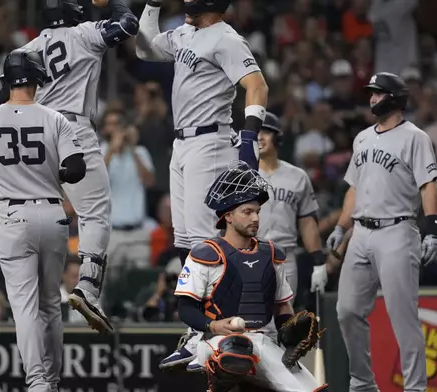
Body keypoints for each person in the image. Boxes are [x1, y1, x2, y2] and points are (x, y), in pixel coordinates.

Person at [0, 0, 139, 334]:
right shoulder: (84, 33)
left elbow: (8, 92)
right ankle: (87, 287)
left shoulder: (27, 48)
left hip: (33, 129)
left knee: (10, 211)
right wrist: (113, 3)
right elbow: (128, 24)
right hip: (71, 127)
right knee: (95, 211)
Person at [136, 0, 269, 369]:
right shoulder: (186, 32)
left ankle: (215, 333)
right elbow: (144, 48)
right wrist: (151, 6)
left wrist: (249, 135)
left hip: (211, 141)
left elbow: (256, 85)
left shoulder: (225, 38)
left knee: (202, 242)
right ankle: (198, 331)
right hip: (182, 145)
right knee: (183, 241)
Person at [0, 48, 85, 392]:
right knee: (51, 303)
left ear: (5, 83)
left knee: (26, 307)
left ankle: (38, 383)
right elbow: (77, 169)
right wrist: (52, 174)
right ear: (37, 81)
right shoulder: (55, 118)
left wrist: (5, 189)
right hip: (52, 214)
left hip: (13, 215)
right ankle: (52, 379)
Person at [326, 72, 437, 392]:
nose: (372, 98)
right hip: (361, 234)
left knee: (403, 317)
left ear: (393, 98)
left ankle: (415, 388)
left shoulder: (414, 137)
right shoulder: (362, 137)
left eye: (378, 93)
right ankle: (363, 384)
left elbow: (429, 184)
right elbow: (353, 188)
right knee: (347, 310)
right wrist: (341, 226)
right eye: (371, 93)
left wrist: (432, 228)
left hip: (398, 230)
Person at [174, 161, 327, 392]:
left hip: (263, 340)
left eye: (257, 212)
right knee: (235, 354)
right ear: (228, 216)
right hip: (217, 340)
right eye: (247, 212)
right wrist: (213, 325)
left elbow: (282, 308)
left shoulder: (271, 254)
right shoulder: (205, 254)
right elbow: (185, 308)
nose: (255, 218)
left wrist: (291, 335)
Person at [256, 112, 324, 296]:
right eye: (256, 132)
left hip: (284, 258)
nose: (259, 137)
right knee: (251, 319)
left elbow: (307, 221)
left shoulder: (297, 176)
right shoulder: (242, 174)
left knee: (284, 320)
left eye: (266, 132)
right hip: (249, 254)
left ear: (278, 138)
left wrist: (318, 261)